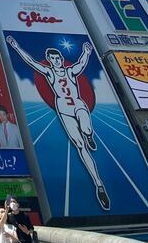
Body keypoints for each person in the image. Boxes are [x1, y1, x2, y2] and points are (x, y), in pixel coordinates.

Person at [6, 36, 110, 210]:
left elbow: (81, 63)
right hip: (63, 108)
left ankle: (89, 134)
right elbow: (30, 61)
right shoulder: (49, 73)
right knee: (79, 145)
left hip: (77, 103)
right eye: (52, 59)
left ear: (61, 59)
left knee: (85, 125)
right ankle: (99, 184)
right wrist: (16, 46)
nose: (55, 60)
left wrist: (86, 51)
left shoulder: (70, 71)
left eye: (57, 58)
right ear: (50, 61)